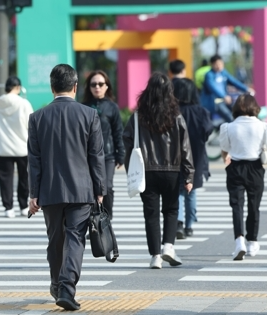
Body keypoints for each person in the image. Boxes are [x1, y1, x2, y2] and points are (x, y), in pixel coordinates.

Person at [27, 64, 106, 311]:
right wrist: (100, 188)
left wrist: (33, 194)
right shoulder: (89, 115)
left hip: (49, 190)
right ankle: (66, 288)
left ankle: (55, 283)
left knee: (55, 239)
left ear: (52, 88)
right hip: (81, 189)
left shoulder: (37, 118)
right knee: (75, 238)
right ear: (75, 86)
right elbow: (96, 155)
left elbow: (34, 160)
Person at [123, 72, 194, 270]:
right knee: (171, 210)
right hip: (171, 170)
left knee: (151, 214)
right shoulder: (176, 116)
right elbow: (185, 147)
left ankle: (155, 256)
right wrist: (189, 175)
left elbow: (127, 142)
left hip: (146, 172)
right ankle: (168, 247)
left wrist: (130, 169)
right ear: (169, 92)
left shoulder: (137, 117)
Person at [219, 94, 267, 260]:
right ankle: (252, 242)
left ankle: (239, 241)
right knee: (254, 206)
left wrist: (226, 159)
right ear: (255, 108)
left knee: (237, 206)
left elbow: (224, 147)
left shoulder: (228, 127)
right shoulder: (264, 126)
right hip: (255, 168)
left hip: (235, 167)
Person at [173, 78, 214, 239]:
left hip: (175, 156)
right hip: (196, 155)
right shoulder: (201, 111)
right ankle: (189, 225)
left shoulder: (173, 112)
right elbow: (208, 130)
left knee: (178, 191)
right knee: (192, 190)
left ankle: (179, 222)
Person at [82, 70, 124, 220]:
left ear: (107, 86)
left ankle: (107, 220)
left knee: (108, 188)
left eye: (101, 84)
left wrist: (121, 154)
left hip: (108, 155)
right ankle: (94, 221)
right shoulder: (83, 107)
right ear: (89, 87)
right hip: (88, 156)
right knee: (91, 189)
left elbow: (118, 132)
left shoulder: (112, 107)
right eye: (93, 84)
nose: (97, 87)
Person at [0, 76, 33, 218]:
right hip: (22, 146)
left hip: (3, 146)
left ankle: (8, 208)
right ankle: (23, 205)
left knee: (5, 179)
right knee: (24, 177)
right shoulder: (24, 103)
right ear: (18, 87)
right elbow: (30, 123)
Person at [201, 55, 255, 123]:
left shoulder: (223, 73)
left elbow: (234, 81)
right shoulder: (209, 75)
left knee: (238, 113)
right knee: (229, 116)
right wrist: (223, 96)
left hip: (226, 100)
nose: (219, 66)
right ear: (212, 65)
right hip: (215, 102)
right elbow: (212, 88)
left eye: (220, 64)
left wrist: (246, 89)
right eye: (216, 64)